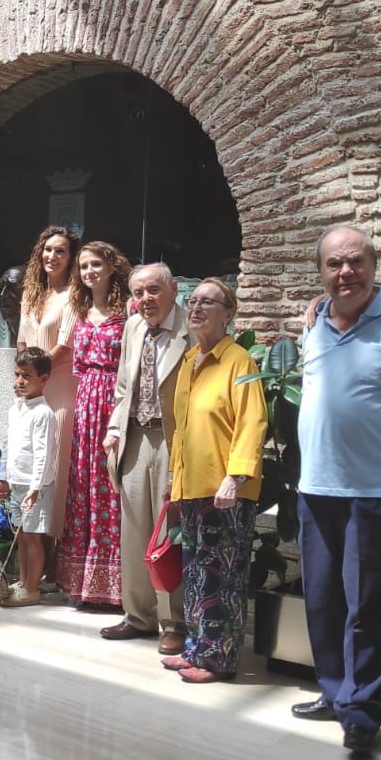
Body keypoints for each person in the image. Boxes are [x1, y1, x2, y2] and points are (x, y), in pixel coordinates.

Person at [291, 225, 381, 755]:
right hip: (316, 486)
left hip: (374, 488)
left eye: (356, 261)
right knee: (320, 599)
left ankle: (361, 712)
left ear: (374, 263)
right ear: (321, 274)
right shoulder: (314, 322)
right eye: (334, 265)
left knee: (367, 603)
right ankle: (334, 690)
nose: (346, 272)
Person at [161, 277, 266, 684]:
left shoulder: (240, 360)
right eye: (194, 300)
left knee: (222, 577)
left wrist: (235, 477)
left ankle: (218, 661)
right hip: (192, 486)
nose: (198, 307)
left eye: (210, 302)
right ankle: (197, 649)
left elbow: (252, 422)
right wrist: (175, 475)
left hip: (226, 490)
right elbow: (184, 428)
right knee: (197, 573)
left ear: (229, 313)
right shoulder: (190, 361)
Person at [102, 263, 192, 651]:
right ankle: (138, 615)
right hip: (136, 436)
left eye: (153, 290)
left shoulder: (191, 328)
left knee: (168, 529)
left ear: (173, 290)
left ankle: (173, 621)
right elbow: (124, 386)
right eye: (138, 293)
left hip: (175, 439)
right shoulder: (133, 327)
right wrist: (114, 429)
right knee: (135, 527)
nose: (145, 300)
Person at [58, 241, 132, 606]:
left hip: (115, 403)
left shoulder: (129, 310)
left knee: (109, 487)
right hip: (86, 403)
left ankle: (116, 587)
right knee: (84, 485)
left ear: (112, 267)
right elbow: (78, 367)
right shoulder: (82, 311)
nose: (89, 272)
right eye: (84, 266)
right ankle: (83, 583)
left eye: (96, 265)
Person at [16, 226, 78, 590]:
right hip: (33, 391)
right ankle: (35, 558)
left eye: (61, 251)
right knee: (31, 465)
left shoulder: (74, 296)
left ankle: (55, 562)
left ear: (70, 258)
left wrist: (38, 374)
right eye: (47, 250)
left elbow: (67, 347)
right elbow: (23, 341)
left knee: (55, 469)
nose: (52, 257)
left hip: (59, 391)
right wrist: (23, 381)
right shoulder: (31, 294)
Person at [0, 347, 59, 607]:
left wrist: (35, 488)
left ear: (43, 379)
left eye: (27, 376)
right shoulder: (16, 409)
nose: (19, 381)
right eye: (17, 375)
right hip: (17, 481)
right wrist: (3, 477)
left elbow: (43, 454)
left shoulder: (43, 414)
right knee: (21, 535)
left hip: (37, 486)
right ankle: (22, 582)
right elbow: (9, 447)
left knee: (33, 537)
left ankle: (32, 587)